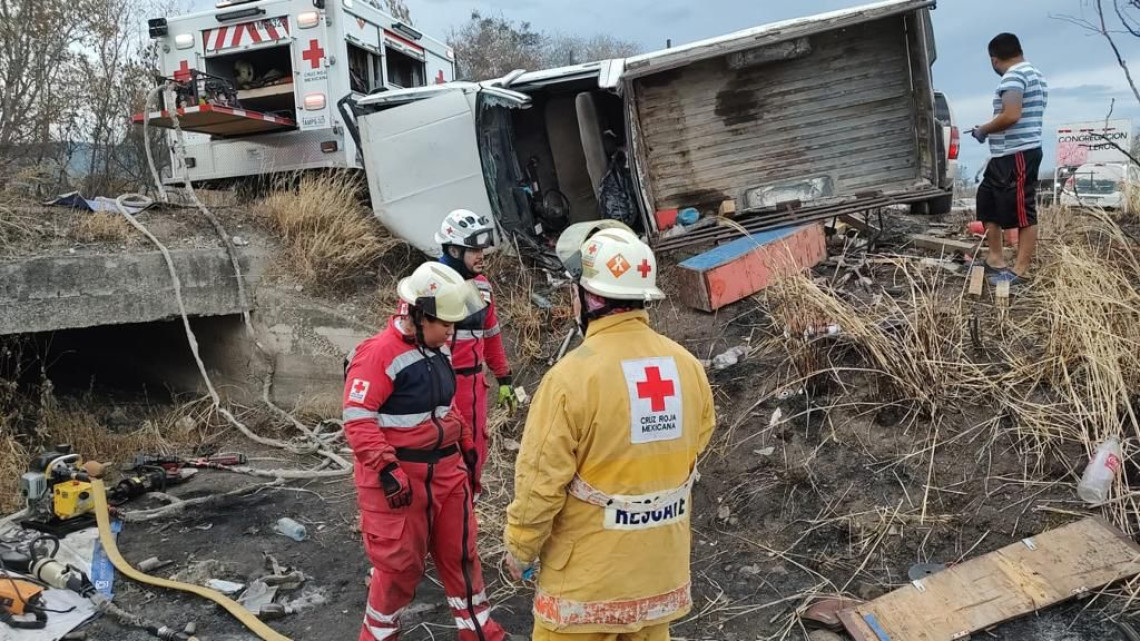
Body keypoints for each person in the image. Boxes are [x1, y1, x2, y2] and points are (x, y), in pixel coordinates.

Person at [503, 222, 717, 641]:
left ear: (590, 296)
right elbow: (698, 439)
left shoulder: (571, 379)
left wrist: (520, 546)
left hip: (586, 589)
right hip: (659, 576)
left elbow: (539, 481)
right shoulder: (687, 367)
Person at [343, 261, 506, 641]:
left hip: (446, 475)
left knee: (461, 557)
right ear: (417, 314)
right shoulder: (377, 355)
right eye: (445, 324)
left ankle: (480, 632)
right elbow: (358, 418)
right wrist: (386, 469)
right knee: (399, 568)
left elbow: (444, 408)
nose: (451, 332)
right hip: (399, 481)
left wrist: (464, 443)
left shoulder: (437, 349)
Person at [435, 209, 514, 493]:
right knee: (444, 449)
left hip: (473, 387)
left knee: (476, 448)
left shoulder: (482, 287)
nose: (481, 255)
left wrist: (504, 377)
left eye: (482, 248)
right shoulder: (430, 284)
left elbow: (491, 335)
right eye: (474, 249)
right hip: (439, 385)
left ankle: (469, 503)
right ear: (454, 250)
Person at [969, 32, 1049, 286]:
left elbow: (1011, 114)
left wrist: (983, 130)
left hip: (1019, 154)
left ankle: (1020, 271)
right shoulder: (1033, 74)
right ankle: (995, 258)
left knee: (1023, 212)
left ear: (994, 60)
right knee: (987, 200)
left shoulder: (1015, 75)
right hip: (1004, 155)